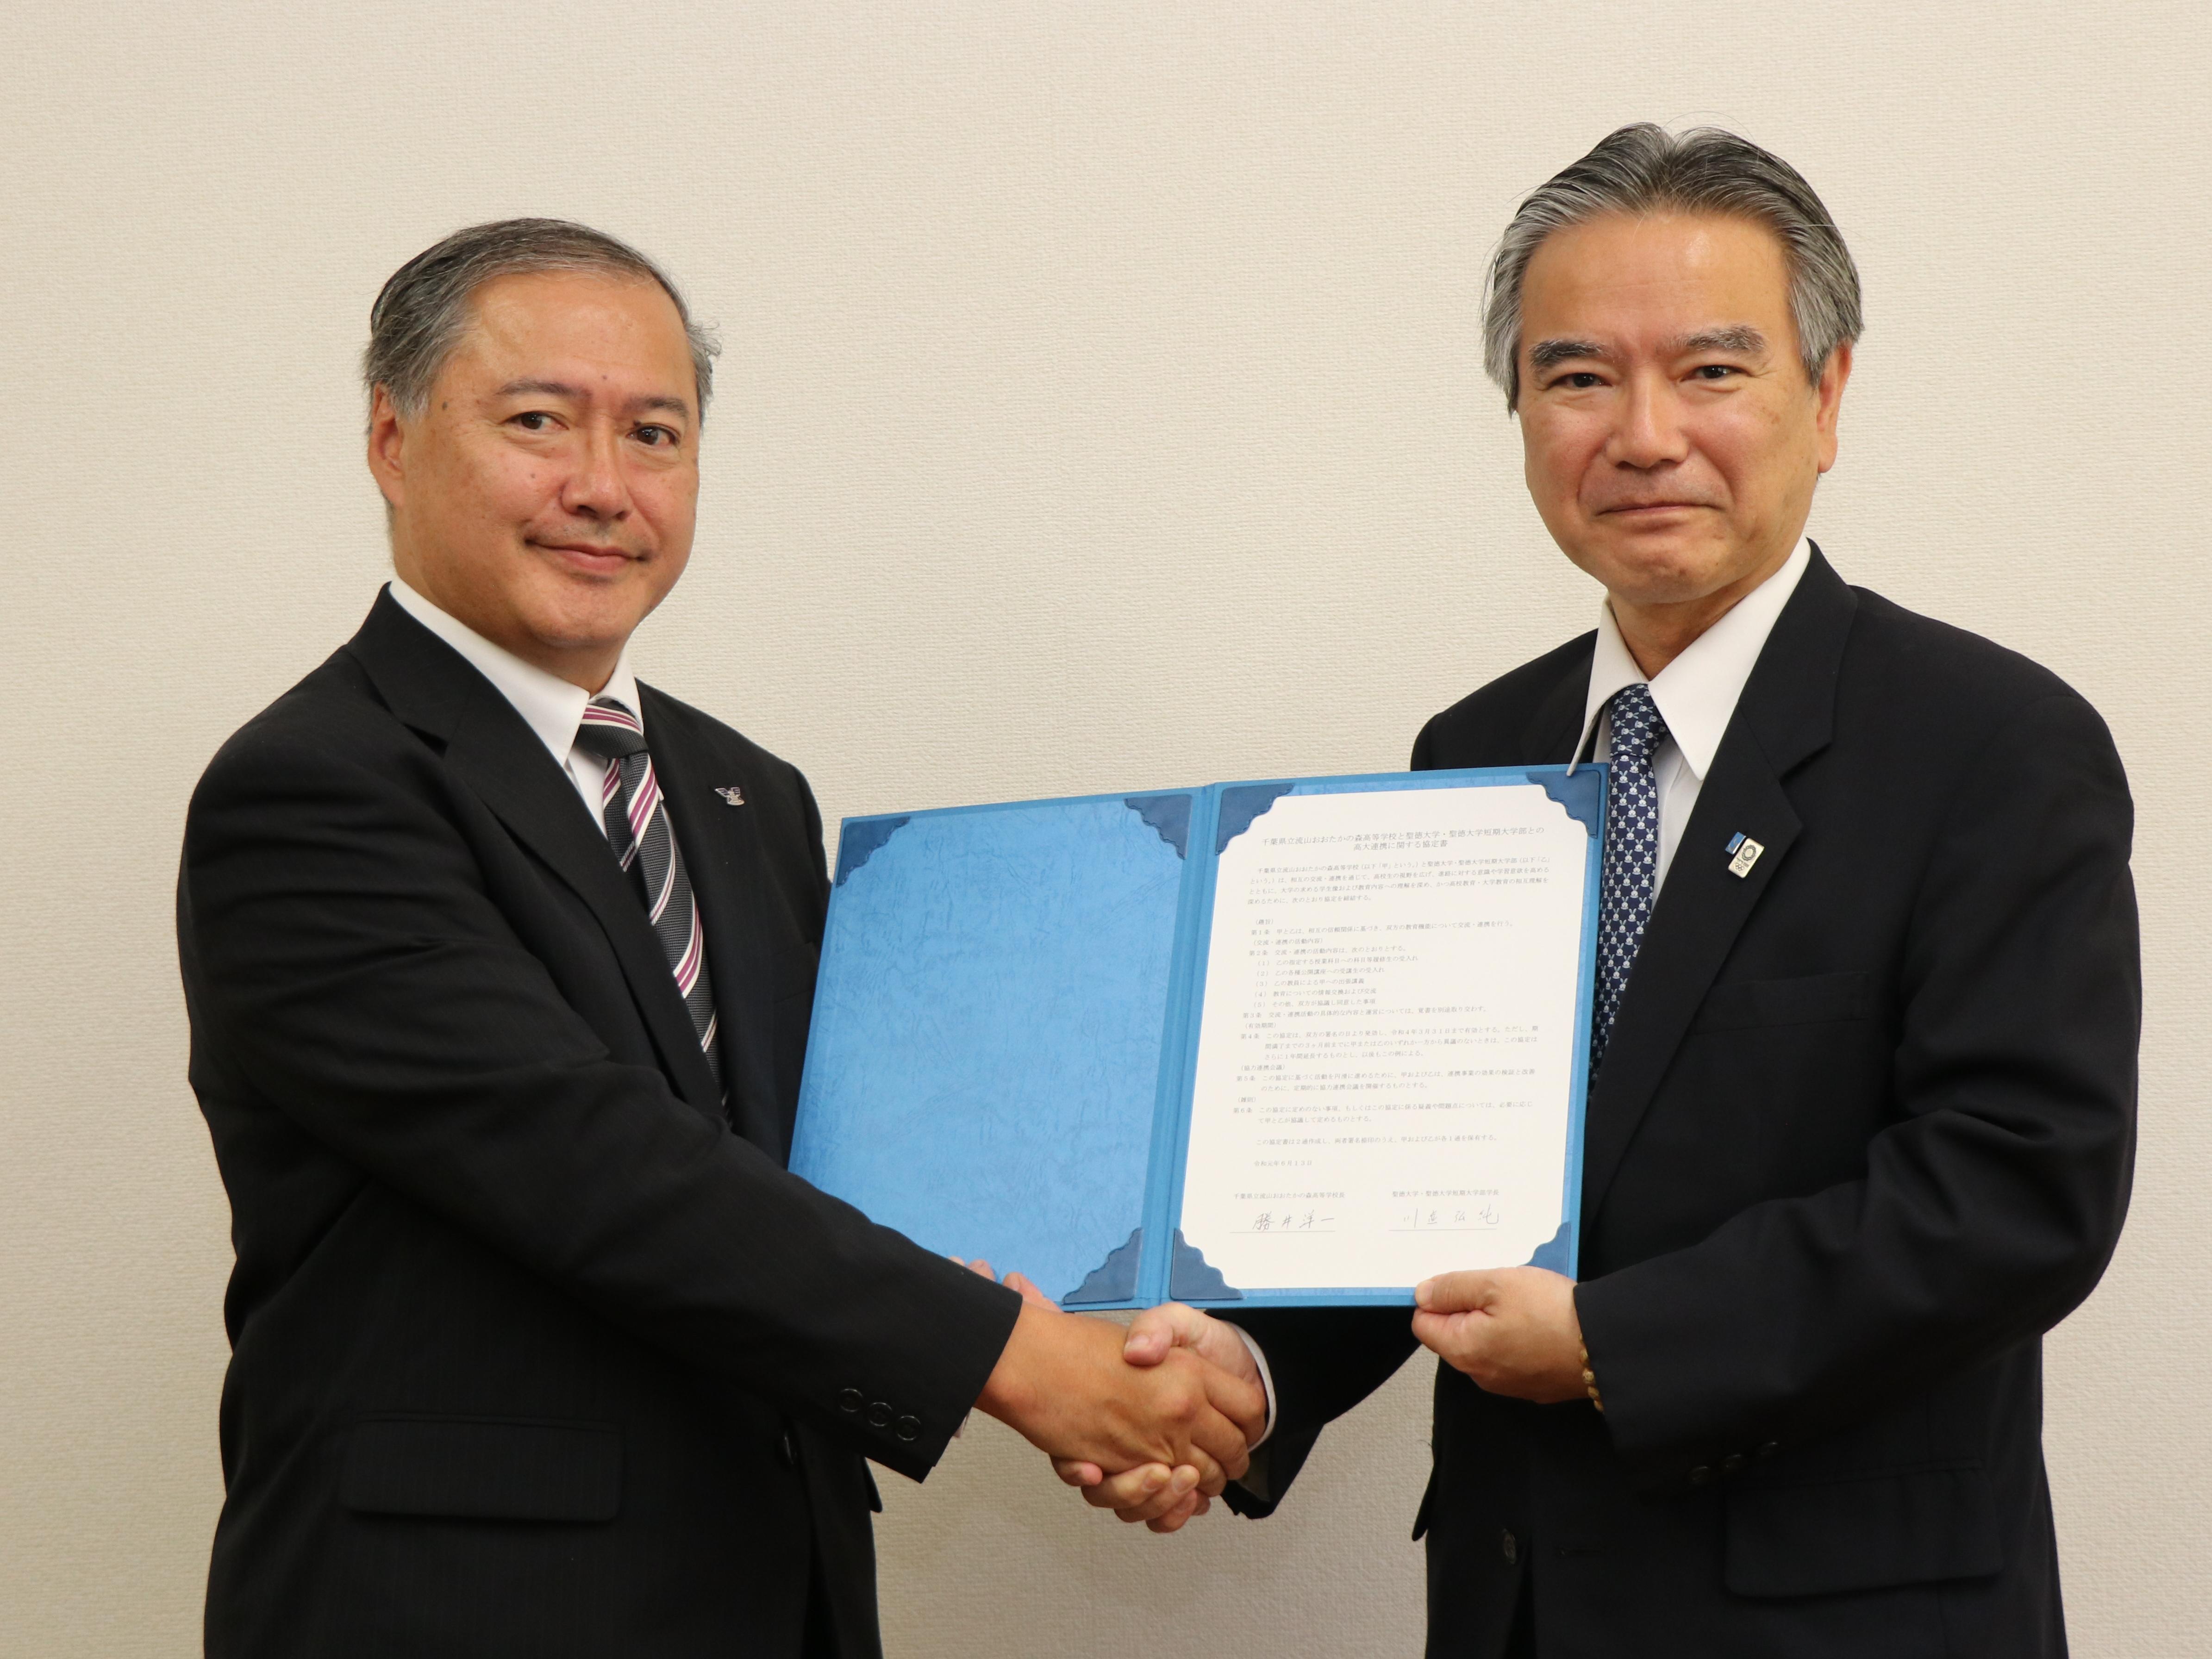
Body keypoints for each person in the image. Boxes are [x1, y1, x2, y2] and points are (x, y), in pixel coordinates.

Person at [1062, 125, 2138, 1657]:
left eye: (1710, 371)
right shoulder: (1474, 750)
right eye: (1576, 377)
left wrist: (1611, 1344)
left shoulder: (1991, 746)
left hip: (1846, 1615)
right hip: (1519, 1603)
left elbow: (2018, 1192)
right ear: (1517, 411)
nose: (1641, 434)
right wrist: (1247, 1374)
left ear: (1825, 399)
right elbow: (1417, 1174)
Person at [178, 218, 1262, 1659]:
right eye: (537, 422)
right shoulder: (315, 788)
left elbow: (843, 1167)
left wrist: (1151, 1345)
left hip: (772, 1584)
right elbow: (593, 1163)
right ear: (391, 440)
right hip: (464, 1607)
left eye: (655, 434)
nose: (602, 487)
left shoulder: (742, 791)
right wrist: (1025, 1367)